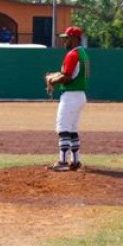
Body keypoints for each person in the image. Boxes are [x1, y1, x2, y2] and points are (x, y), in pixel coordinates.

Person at [45, 26, 90, 171]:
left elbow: (67, 76)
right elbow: (70, 73)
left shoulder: (72, 54)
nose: (65, 40)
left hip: (71, 95)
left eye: (67, 38)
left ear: (74, 38)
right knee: (72, 129)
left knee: (63, 127)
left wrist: (53, 81)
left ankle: (63, 162)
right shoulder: (83, 53)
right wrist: (55, 76)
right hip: (80, 95)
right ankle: (75, 161)